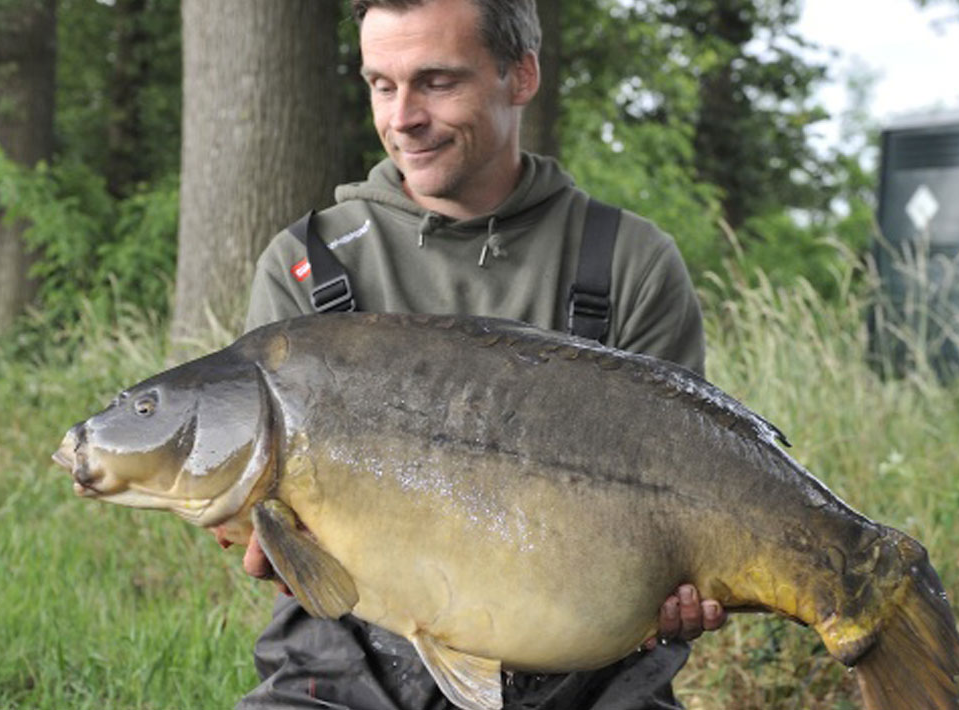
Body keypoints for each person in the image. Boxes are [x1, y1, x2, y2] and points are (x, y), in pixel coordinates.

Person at [221, 0, 726, 707]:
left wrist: (672, 586)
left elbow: (689, 491)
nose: (402, 118)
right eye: (381, 85)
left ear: (521, 76)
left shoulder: (628, 262)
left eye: (437, 82)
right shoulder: (308, 263)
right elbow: (273, 528)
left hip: (584, 663)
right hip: (347, 661)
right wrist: (276, 547)